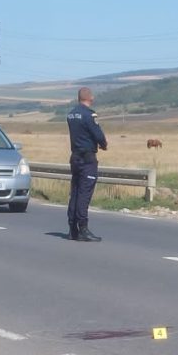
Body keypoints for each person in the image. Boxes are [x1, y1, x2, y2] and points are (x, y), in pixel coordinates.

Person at [66, 87, 108, 242]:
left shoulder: (71, 114)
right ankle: (83, 228)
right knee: (84, 193)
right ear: (90, 97)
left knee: (75, 192)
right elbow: (98, 134)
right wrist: (103, 144)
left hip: (75, 157)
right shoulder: (89, 114)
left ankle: (72, 228)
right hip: (87, 159)